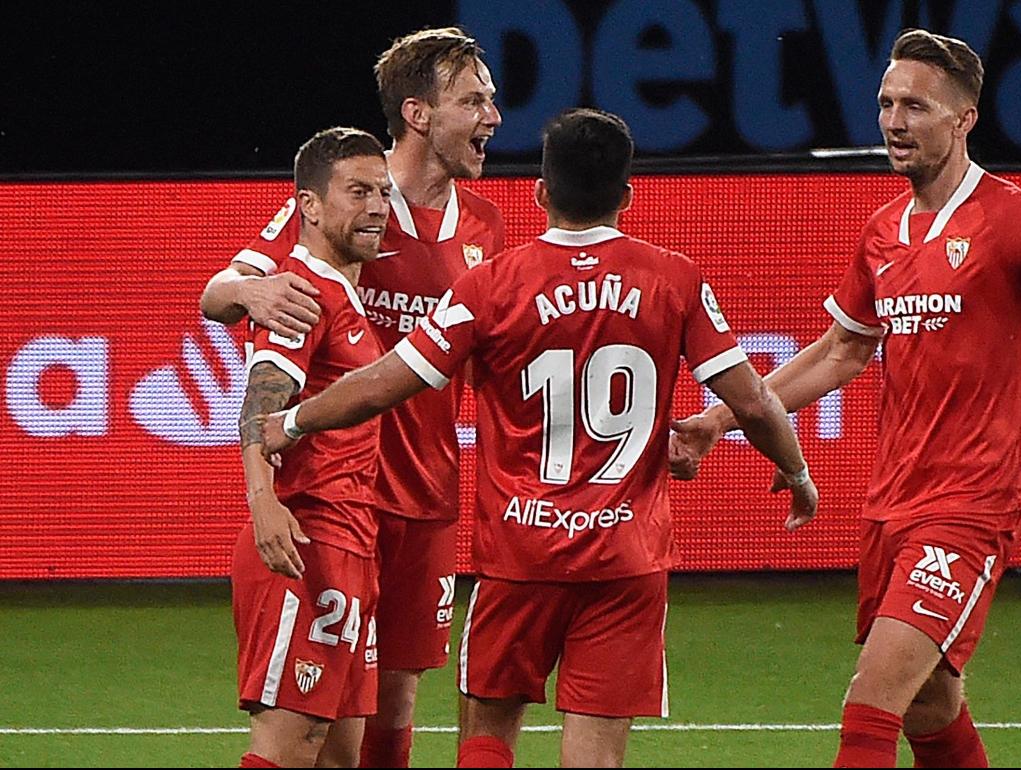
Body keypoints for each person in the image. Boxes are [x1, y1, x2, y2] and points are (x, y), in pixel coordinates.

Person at [668, 28, 1021, 769]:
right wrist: (717, 419)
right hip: (892, 501)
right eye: (887, 103)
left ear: (964, 120)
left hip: (972, 503)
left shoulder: (1020, 221)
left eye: (917, 107)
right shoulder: (881, 232)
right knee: (931, 704)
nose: (894, 121)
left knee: (871, 704)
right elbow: (841, 353)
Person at [255, 108, 819, 768]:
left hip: (521, 555)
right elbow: (752, 401)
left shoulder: (492, 284)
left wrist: (293, 420)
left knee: (489, 730)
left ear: (541, 193)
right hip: (626, 559)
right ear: (626, 196)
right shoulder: (673, 279)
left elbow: (388, 381)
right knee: (595, 754)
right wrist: (797, 471)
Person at [202, 28, 506, 768]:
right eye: (475, 100)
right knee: (323, 711)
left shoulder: (486, 227)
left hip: (426, 492)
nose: (494, 116)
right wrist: (253, 288)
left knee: (391, 698)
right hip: (339, 496)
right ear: (420, 113)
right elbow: (218, 296)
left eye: (491, 98)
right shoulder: (352, 207)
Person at [233, 127, 390, 768]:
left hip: (353, 541)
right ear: (310, 206)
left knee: (340, 753)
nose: (377, 206)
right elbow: (262, 399)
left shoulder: (343, 291)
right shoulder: (301, 291)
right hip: (308, 539)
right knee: (289, 748)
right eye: (357, 192)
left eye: (382, 191)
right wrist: (263, 500)